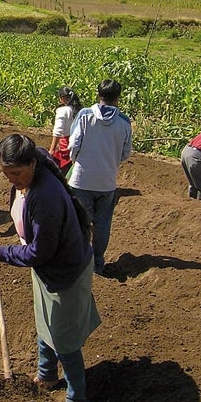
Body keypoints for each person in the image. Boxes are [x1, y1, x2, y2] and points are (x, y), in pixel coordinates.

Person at [0, 135, 100, 402]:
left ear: (31, 165)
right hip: (48, 270)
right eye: (6, 174)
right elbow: (37, 148)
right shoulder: (37, 159)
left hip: (63, 270)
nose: (11, 180)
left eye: (16, 173)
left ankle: (76, 400)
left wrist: (4, 252)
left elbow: (39, 253)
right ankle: (46, 374)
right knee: (45, 321)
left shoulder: (45, 199)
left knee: (64, 339)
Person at [68, 79, 132, 275]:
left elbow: (74, 145)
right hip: (107, 182)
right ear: (118, 98)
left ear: (98, 95)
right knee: (102, 226)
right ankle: (97, 265)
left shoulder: (85, 115)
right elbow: (125, 153)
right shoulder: (124, 122)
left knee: (80, 223)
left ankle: (79, 263)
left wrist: (76, 161)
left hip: (81, 180)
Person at [48, 86, 82, 173]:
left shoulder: (62, 111)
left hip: (65, 144)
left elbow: (58, 131)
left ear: (62, 98)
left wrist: (52, 149)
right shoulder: (80, 110)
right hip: (78, 142)